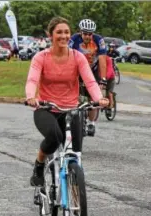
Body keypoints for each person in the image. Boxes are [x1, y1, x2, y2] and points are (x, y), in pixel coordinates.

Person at [25, 16, 109, 189]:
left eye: (66, 32)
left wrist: (98, 98)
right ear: (50, 35)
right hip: (46, 108)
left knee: (76, 154)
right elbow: (32, 80)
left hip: (71, 109)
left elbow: (90, 81)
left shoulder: (78, 57)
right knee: (55, 137)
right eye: (59, 32)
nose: (63, 36)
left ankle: (78, 210)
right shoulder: (41, 57)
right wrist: (31, 96)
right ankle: (39, 165)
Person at [69, 19, 108, 137]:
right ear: (80, 32)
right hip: (77, 69)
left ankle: (91, 122)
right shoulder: (73, 39)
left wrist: (103, 79)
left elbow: (102, 59)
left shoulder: (98, 40)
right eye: (85, 33)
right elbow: (67, 56)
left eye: (90, 34)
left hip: (93, 69)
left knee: (93, 97)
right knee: (72, 93)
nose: (87, 36)